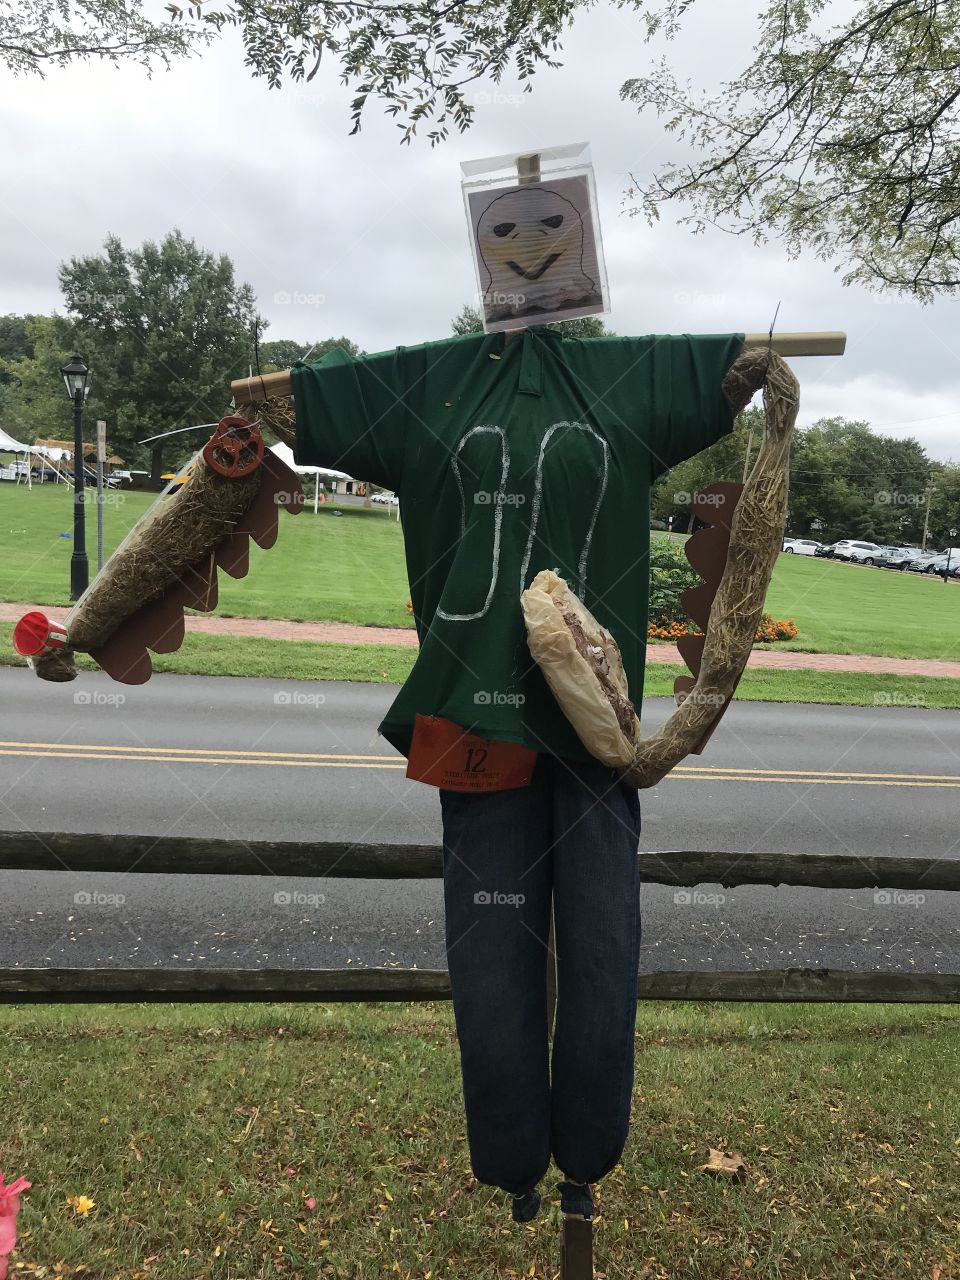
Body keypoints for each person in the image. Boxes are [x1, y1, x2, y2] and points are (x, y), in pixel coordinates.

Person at [289, 323, 751, 1222]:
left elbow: (733, 376)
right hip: (478, 724)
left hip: (595, 730)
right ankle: (514, 1160)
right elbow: (297, 405)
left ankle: (583, 1157)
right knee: (491, 960)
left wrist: (760, 367)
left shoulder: (624, 383)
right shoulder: (431, 384)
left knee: (601, 952)